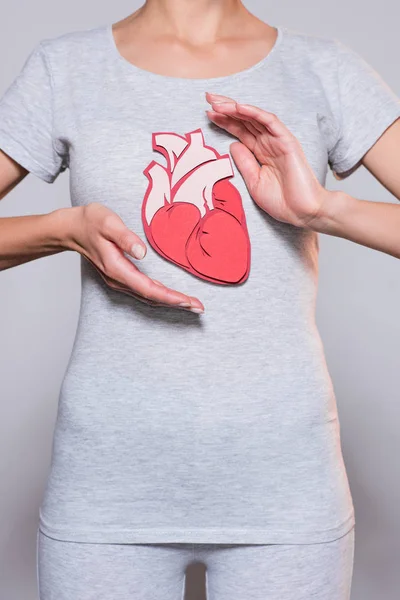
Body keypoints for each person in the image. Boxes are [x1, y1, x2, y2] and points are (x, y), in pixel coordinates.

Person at [1, 1, 399, 598]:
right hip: (107, 487)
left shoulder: (324, 69)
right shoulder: (64, 68)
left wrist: (325, 210)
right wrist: (61, 230)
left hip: (286, 489)